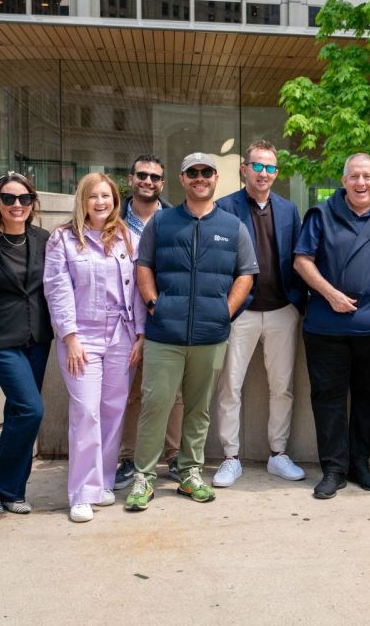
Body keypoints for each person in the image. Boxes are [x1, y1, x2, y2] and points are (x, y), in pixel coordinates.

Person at [126, 153, 258, 510]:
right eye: (192, 173)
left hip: (210, 335)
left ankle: (189, 472)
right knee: (155, 404)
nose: (200, 178)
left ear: (216, 178)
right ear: (182, 180)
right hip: (164, 334)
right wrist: (155, 305)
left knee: (199, 409)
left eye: (206, 172)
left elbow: (246, 274)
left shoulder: (233, 226)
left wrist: (224, 312)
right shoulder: (161, 222)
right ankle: (144, 477)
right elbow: (144, 267)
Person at [293, 153, 370, 499]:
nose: (360, 183)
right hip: (326, 326)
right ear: (343, 181)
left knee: (369, 397)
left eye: (367, 177)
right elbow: (302, 261)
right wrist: (330, 295)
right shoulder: (321, 215)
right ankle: (334, 469)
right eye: (354, 176)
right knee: (328, 398)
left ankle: (360, 463)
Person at [44, 173, 145, 523]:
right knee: (86, 411)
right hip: (81, 336)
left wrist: (140, 336)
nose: (101, 202)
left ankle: (102, 483)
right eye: (94, 196)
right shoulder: (63, 239)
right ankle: (81, 494)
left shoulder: (126, 237)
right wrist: (69, 337)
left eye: (107, 196)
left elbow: (137, 290)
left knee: (113, 410)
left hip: (121, 334)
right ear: (82, 200)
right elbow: (57, 290)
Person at [213, 140, 307, 486]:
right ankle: (230, 457)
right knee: (230, 387)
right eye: (257, 166)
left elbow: (298, 257)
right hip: (241, 312)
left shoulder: (288, 209)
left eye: (270, 167)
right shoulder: (223, 208)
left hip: (282, 309)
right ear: (244, 170)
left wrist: (297, 301)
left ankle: (278, 454)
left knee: (282, 386)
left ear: (276, 173)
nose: (263, 173)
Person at [0, 172, 52, 515]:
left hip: (37, 337)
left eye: (23, 199)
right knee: (31, 408)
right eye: (8, 198)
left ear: (32, 203)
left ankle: (13, 489)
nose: (16, 205)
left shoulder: (44, 239)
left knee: (18, 411)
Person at [115, 155, 179, 490]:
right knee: (130, 392)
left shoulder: (174, 219)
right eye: (142, 175)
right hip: (123, 320)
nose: (148, 181)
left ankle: (176, 456)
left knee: (174, 393)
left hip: (164, 316)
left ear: (162, 183)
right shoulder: (112, 219)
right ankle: (127, 458)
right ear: (131, 178)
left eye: (155, 177)